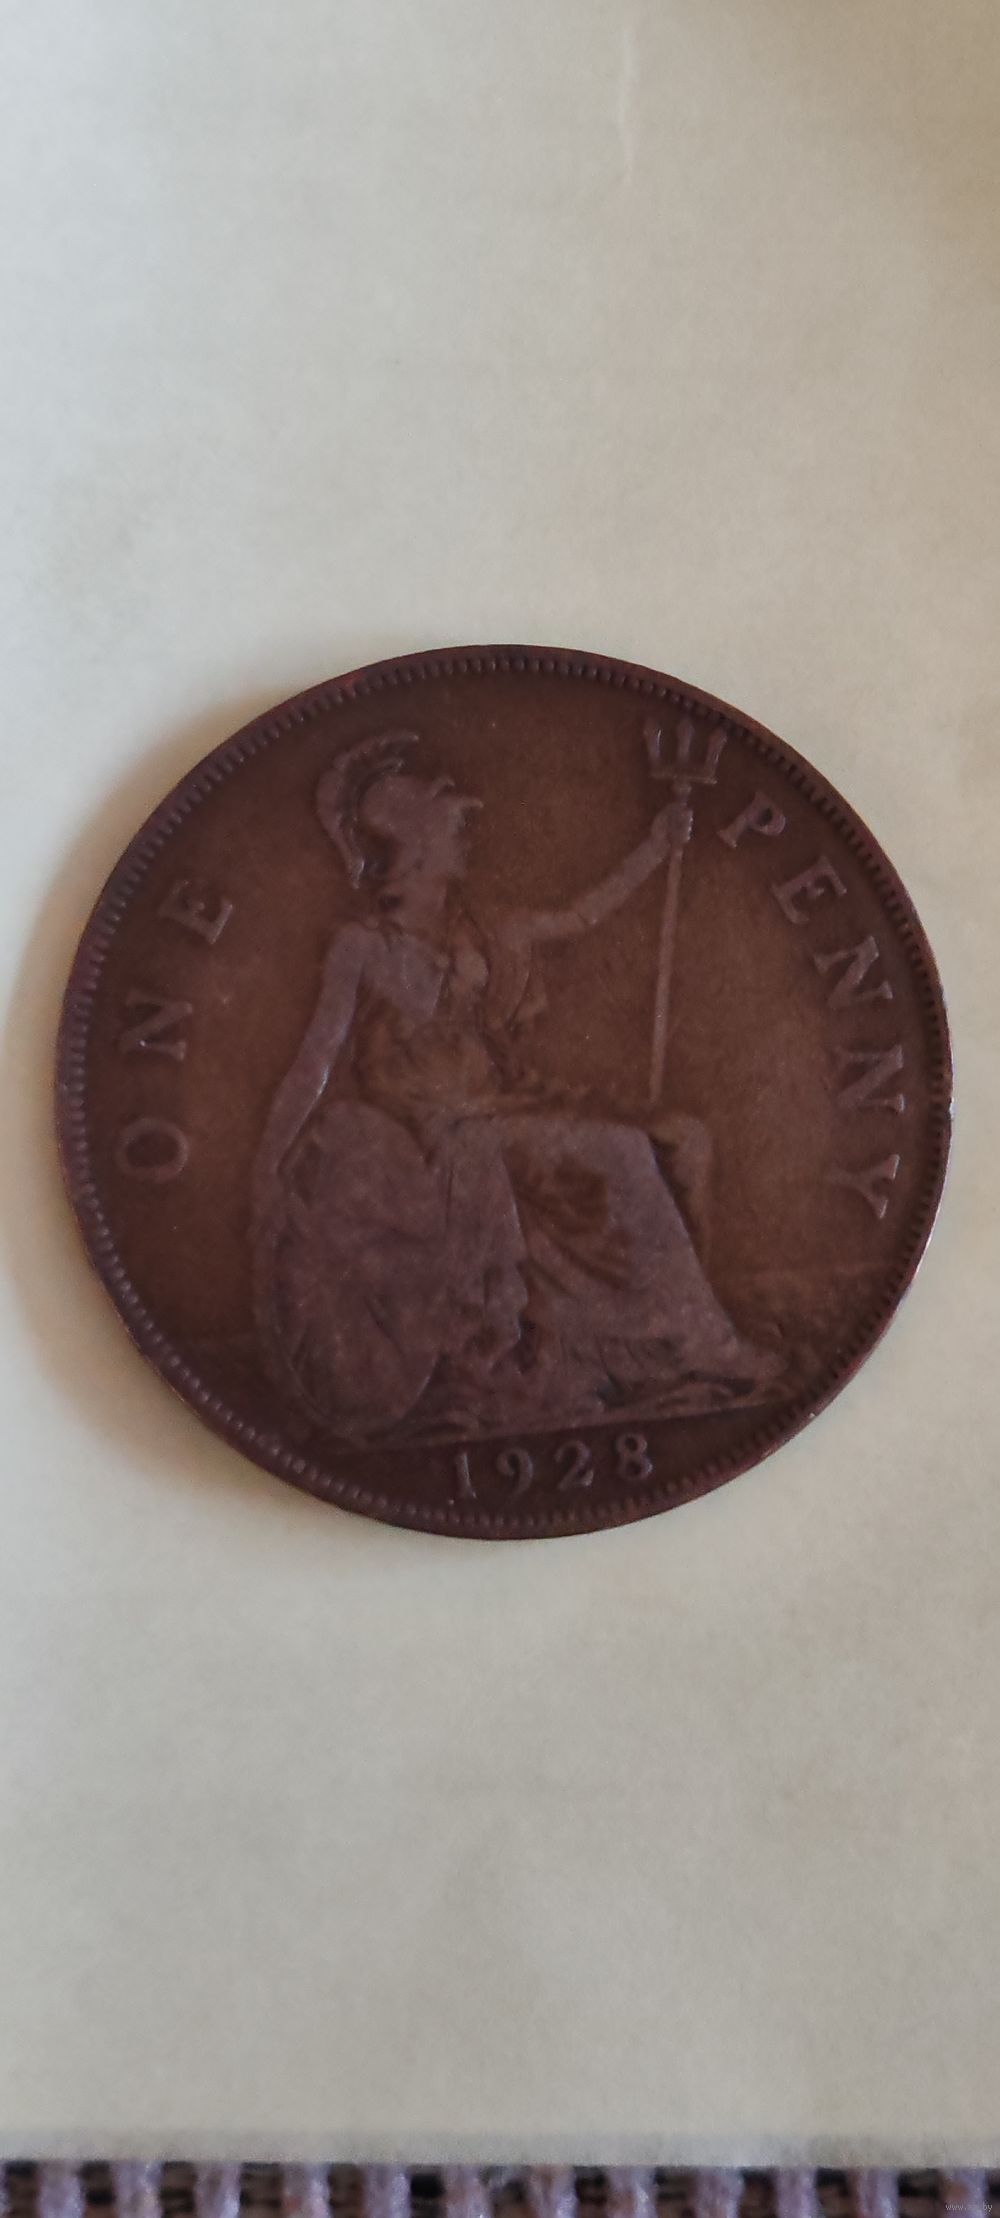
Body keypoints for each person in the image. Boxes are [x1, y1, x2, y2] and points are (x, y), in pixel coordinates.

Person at [252, 729, 779, 1440]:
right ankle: (707, 1346)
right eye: (455, 829)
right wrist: (269, 1168)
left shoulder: (480, 931)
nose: (468, 839)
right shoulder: (363, 948)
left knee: (685, 1141)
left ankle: (659, 1347)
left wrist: (657, 848)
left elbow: (580, 917)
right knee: (621, 1152)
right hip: (441, 1137)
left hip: (506, 1106)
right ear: (414, 846)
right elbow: (315, 1061)